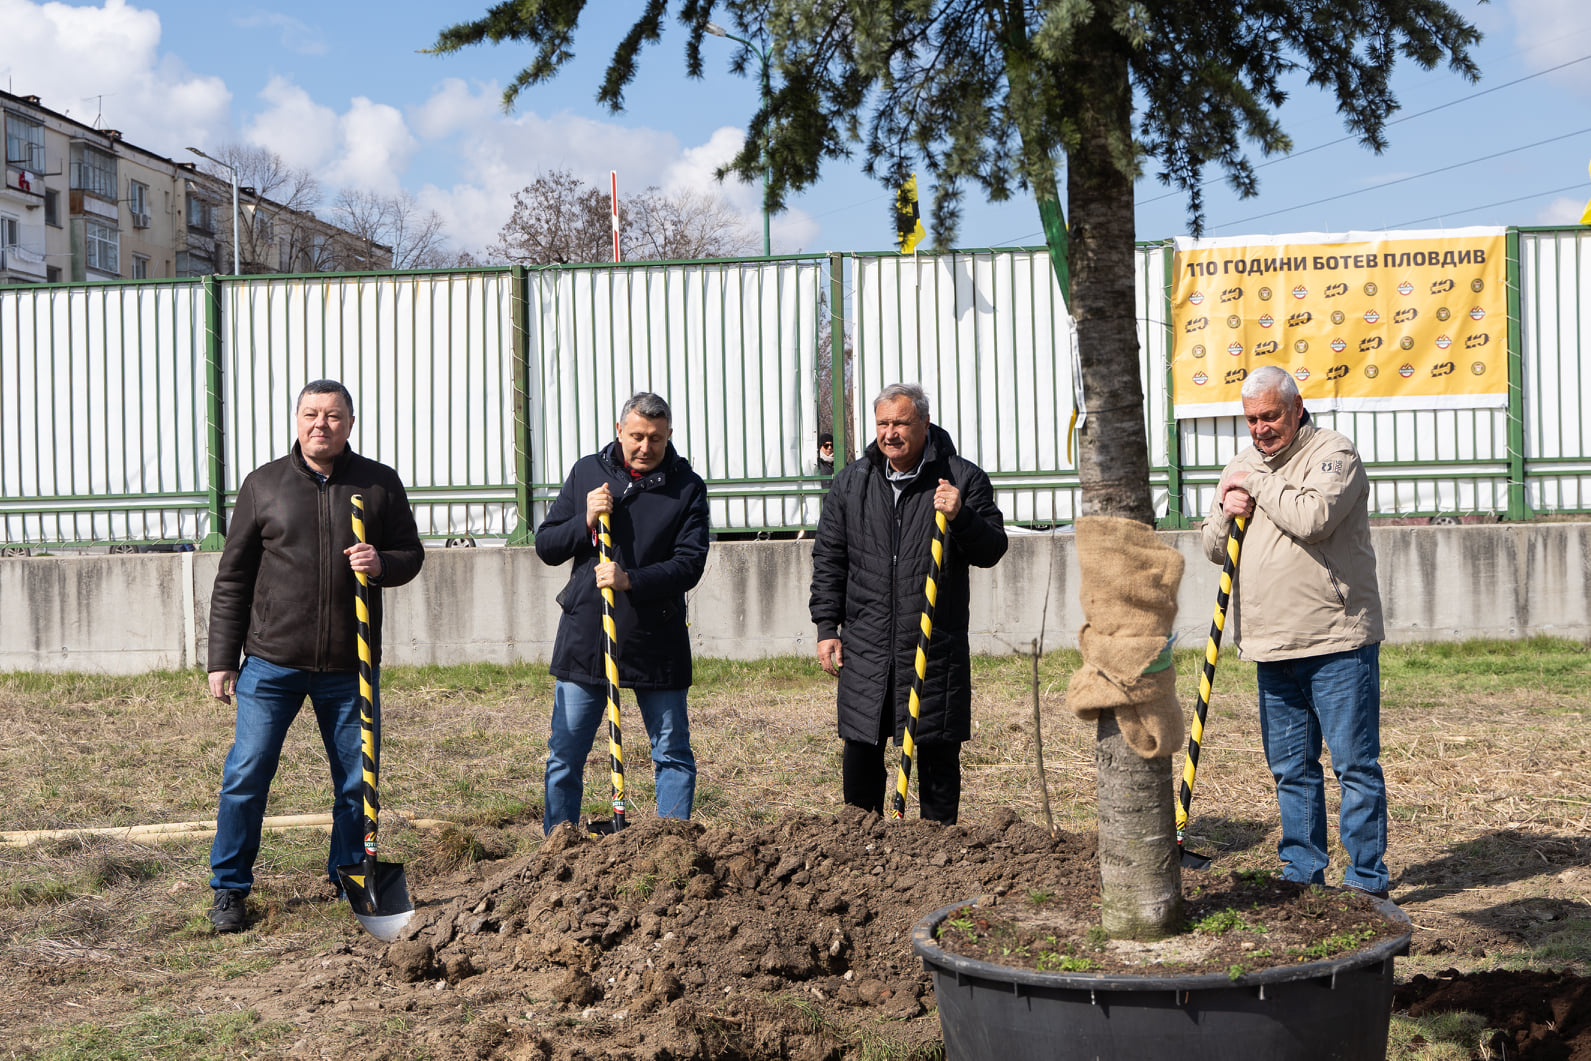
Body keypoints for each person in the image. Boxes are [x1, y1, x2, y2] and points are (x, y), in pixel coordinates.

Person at [206, 379, 425, 933]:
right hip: (271, 662)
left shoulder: (377, 483)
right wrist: (221, 658)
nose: (320, 425)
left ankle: (349, 872)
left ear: (349, 423)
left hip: (348, 666)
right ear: (296, 419)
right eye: (310, 414)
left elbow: (411, 555)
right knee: (248, 773)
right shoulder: (264, 485)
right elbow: (233, 578)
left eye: (332, 416)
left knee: (356, 778)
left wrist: (382, 564)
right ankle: (229, 888)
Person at [1202, 364, 1389, 899]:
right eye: (1251, 420)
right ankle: (1302, 875)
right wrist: (1224, 508)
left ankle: (1366, 883)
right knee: (1291, 770)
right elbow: (1216, 547)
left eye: (1271, 416)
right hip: (1269, 643)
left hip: (1336, 640)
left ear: (1297, 407)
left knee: (1354, 766)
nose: (1261, 429)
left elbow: (1314, 518)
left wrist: (1255, 482)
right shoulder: (1240, 465)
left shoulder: (1335, 453)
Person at [809, 383, 1008, 824]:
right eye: (883, 423)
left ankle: (937, 850)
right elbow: (829, 560)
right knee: (862, 746)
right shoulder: (851, 483)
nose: (890, 433)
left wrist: (961, 517)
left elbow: (991, 549)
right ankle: (860, 838)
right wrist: (827, 628)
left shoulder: (961, 479)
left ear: (925, 425)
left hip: (933, 646)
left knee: (936, 751)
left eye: (901, 422)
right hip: (866, 643)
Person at [535, 392, 710, 833]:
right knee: (565, 752)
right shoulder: (587, 473)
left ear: (669, 435)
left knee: (671, 750)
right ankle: (557, 847)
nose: (645, 447)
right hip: (588, 636)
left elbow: (689, 564)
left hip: (656, 638)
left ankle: (672, 845)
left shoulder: (686, 488)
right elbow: (547, 545)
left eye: (655, 438)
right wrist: (586, 521)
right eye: (636, 436)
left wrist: (631, 579)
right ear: (619, 431)